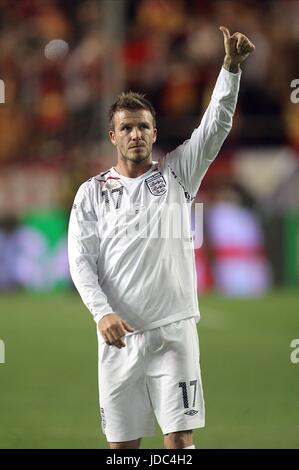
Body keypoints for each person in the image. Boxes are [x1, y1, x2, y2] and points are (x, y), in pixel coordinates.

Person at [68, 26, 255, 449]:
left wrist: (230, 69)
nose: (136, 135)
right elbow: (81, 262)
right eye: (127, 128)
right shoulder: (92, 192)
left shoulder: (177, 175)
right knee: (122, 447)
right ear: (113, 136)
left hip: (174, 334)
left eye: (143, 127)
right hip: (119, 338)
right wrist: (101, 314)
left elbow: (216, 125)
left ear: (154, 133)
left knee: (179, 441)